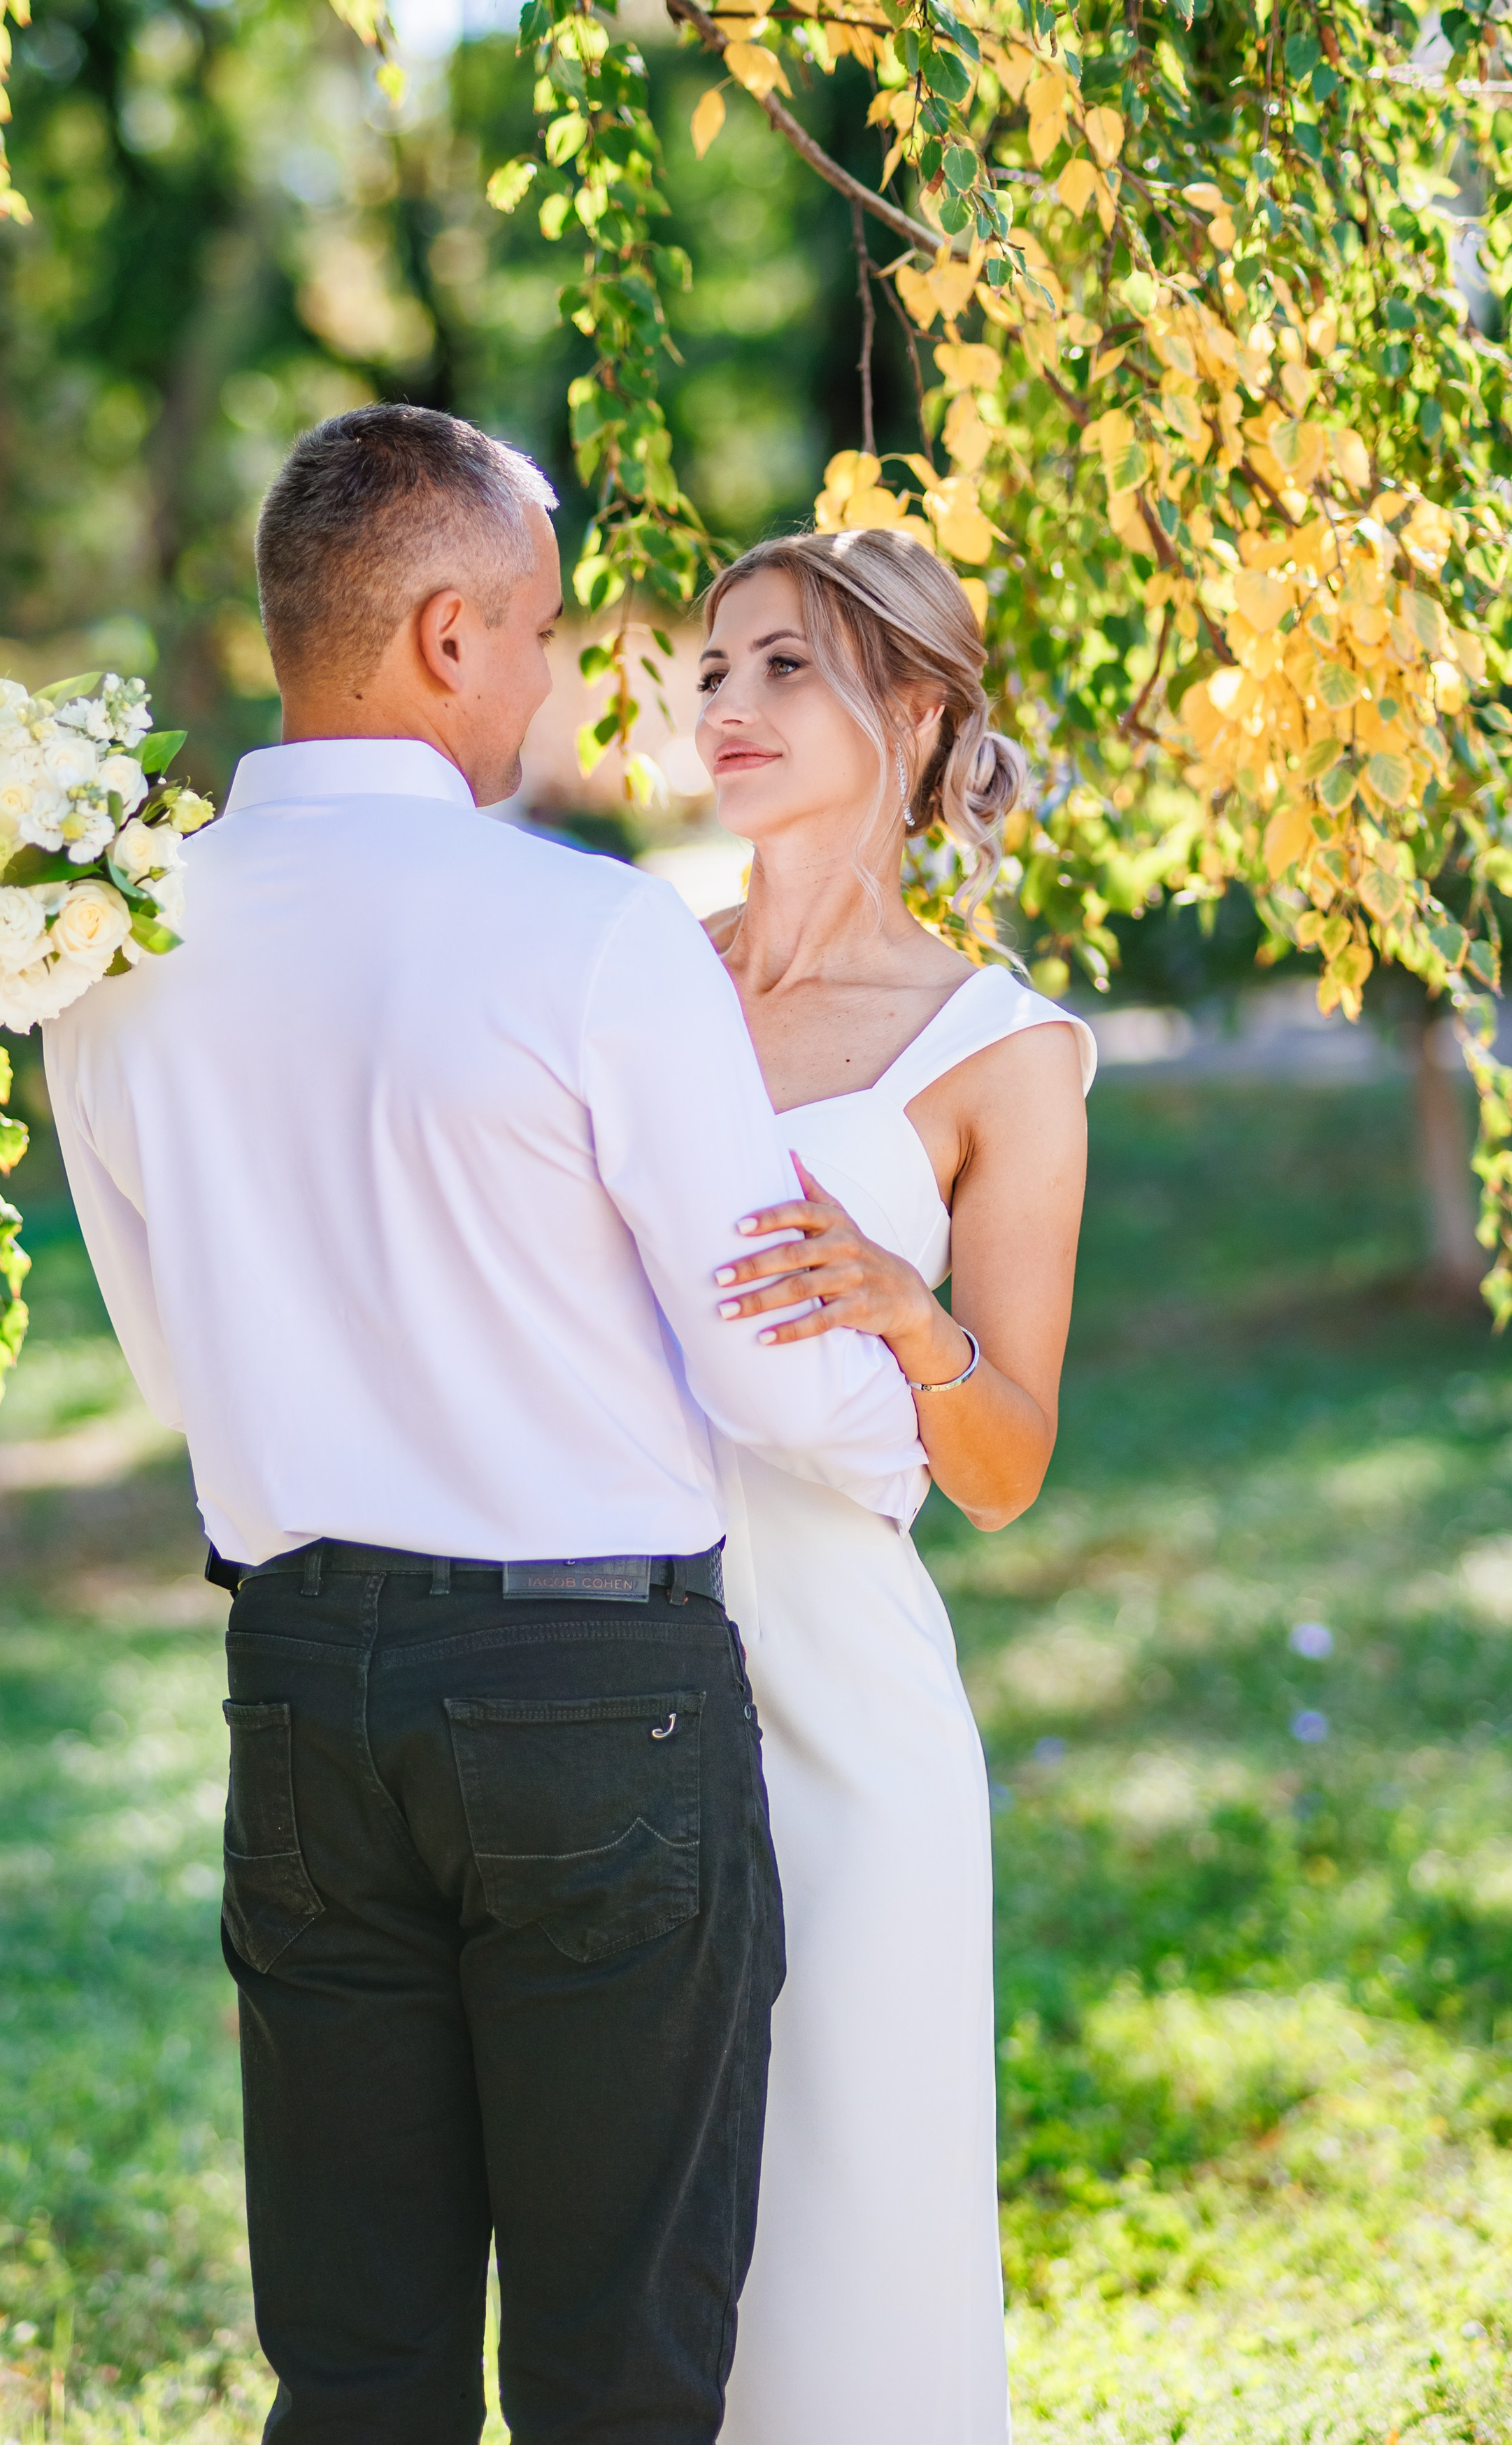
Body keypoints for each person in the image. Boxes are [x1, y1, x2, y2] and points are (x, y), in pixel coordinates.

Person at [41, 406, 927, 2445]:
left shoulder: (110, 957)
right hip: (591, 1696)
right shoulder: (592, 932)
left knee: (354, 2365)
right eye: (532, 631)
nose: (552, 681)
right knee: (621, 2363)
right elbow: (768, 1351)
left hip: (304, 1696)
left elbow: (182, 1374)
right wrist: (901, 1450)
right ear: (448, 636)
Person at [685, 527, 1095, 2445]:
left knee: (851, 2238)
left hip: (843, 1698)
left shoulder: (1002, 1053)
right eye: (712, 670)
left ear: (914, 708)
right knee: (642, 2241)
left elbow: (1007, 1470)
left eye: (786, 668)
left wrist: (909, 1316)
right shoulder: (631, 979)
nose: (728, 707)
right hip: (592, 1665)